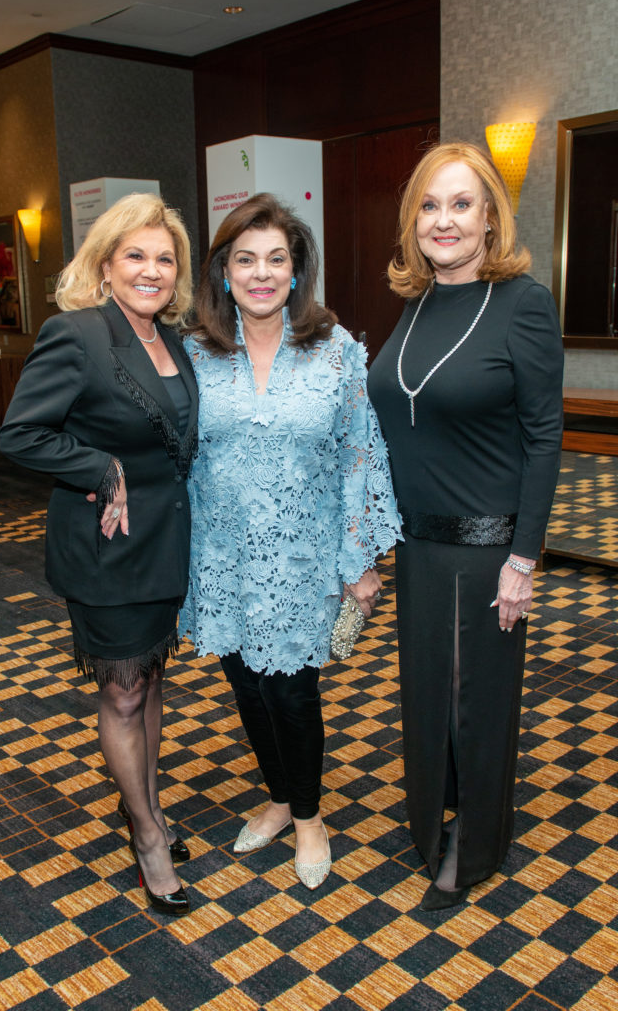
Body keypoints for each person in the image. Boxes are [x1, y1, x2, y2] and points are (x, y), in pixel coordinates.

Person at [180, 193, 402, 890]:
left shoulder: (334, 352)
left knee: (294, 692)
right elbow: (172, 452)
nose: (261, 273)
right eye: (245, 259)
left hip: (304, 560)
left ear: (297, 269)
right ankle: (278, 797)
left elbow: (358, 456)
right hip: (222, 558)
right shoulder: (195, 354)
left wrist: (359, 561)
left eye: (277, 259)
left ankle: (308, 816)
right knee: (245, 685)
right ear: (223, 271)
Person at [368, 142, 563, 910]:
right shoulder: (414, 305)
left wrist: (524, 558)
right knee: (424, 692)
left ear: (489, 218)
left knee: (472, 695)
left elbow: (545, 436)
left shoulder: (524, 303)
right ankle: (430, 817)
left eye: (460, 204)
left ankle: (477, 838)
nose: (442, 220)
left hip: (486, 548)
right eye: (428, 204)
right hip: (417, 543)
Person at [0, 193, 198, 917]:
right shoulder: (77, 334)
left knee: (148, 680)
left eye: (165, 259)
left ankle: (146, 803)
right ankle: (146, 833)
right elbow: (21, 433)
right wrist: (99, 467)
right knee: (120, 690)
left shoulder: (171, 340)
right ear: (106, 264)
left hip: (164, 544)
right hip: (106, 546)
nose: (152, 270)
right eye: (136, 256)